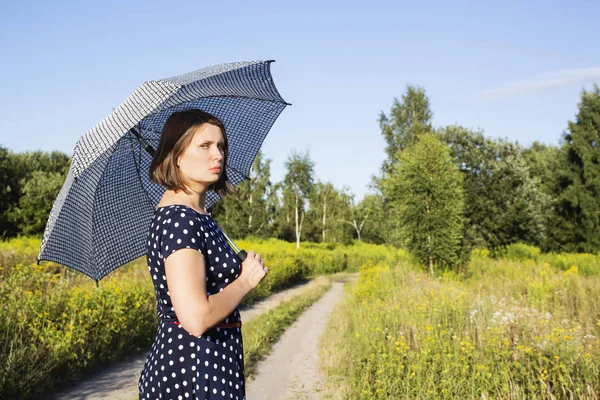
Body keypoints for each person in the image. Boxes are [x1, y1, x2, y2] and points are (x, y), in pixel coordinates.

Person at [138, 109, 268, 400]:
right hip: (193, 370)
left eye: (220, 146)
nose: (218, 155)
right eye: (205, 146)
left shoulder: (197, 215)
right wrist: (245, 281)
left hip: (212, 363)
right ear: (177, 155)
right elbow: (195, 318)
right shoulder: (179, 221)